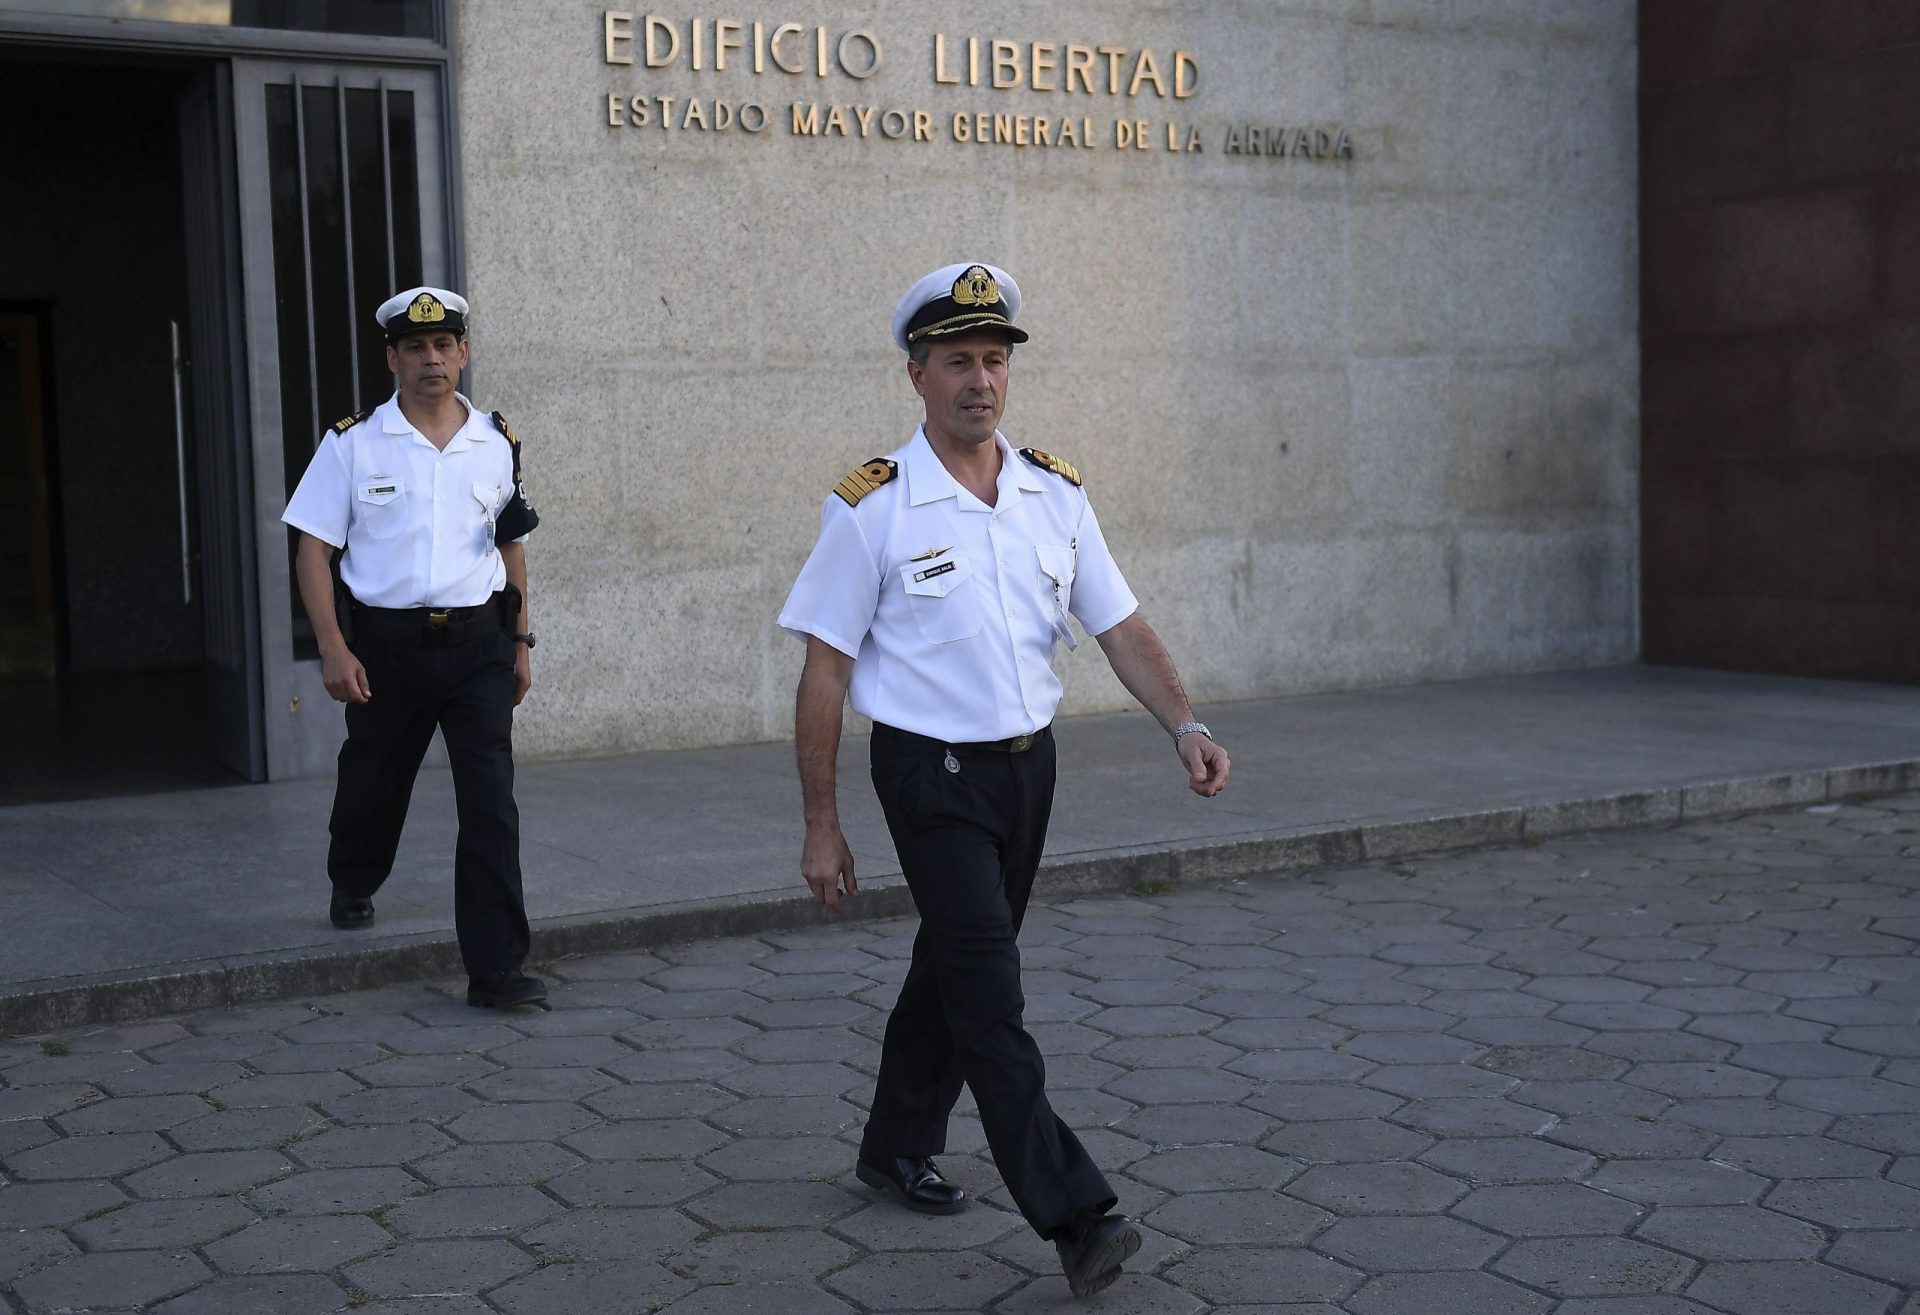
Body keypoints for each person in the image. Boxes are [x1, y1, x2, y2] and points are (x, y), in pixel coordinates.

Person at [778, 261, 1231, 1298]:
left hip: (1030, 772)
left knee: (956, 960)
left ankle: (894, 1146)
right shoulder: (872, 509)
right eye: (956, 363)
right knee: (992, 994)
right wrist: (821, 824)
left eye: (993, 360)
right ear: (917, 376)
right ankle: (1077, 1213)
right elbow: (825, 670)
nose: (979, 380)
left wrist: (1185, 722)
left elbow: (1118, 625)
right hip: (928, 774)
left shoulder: (1053, 494)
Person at [282, 286, 546, 1011]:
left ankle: (496, 969)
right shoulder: (352, 443)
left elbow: (511, 543)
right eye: (416, 348)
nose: (432, 359)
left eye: (444, 346)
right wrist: (332, 646)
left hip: (479, 646)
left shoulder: (495, 440)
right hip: (387, 649)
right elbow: (312, 550)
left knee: (491, 803)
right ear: (393, 358)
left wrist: (520, 641)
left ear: (462, 352)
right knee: (374, 783)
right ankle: (353, 875)